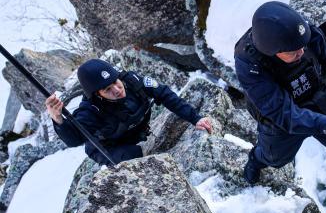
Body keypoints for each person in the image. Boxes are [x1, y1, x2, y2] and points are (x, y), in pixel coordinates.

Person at [234, 1, 326, 185]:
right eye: (293, 52)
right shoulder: (250, 64)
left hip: (320, 97)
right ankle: (256, 159)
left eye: (303, 46)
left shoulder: (298, 32)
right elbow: (283, 113)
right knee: (275, 158)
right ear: (273, 51)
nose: (302, 52)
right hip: (282, 119)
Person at [45, 59, 213, 165]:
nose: (117, 90)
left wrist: (195, 119)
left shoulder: (132, 81)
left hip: (136, 133)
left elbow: (165, 95)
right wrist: (58, 118)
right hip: (109, 148)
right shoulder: (91, 111)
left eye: (116, 82)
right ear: (98, 95)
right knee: (137, 157)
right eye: (107, 89)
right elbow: (75, 139)